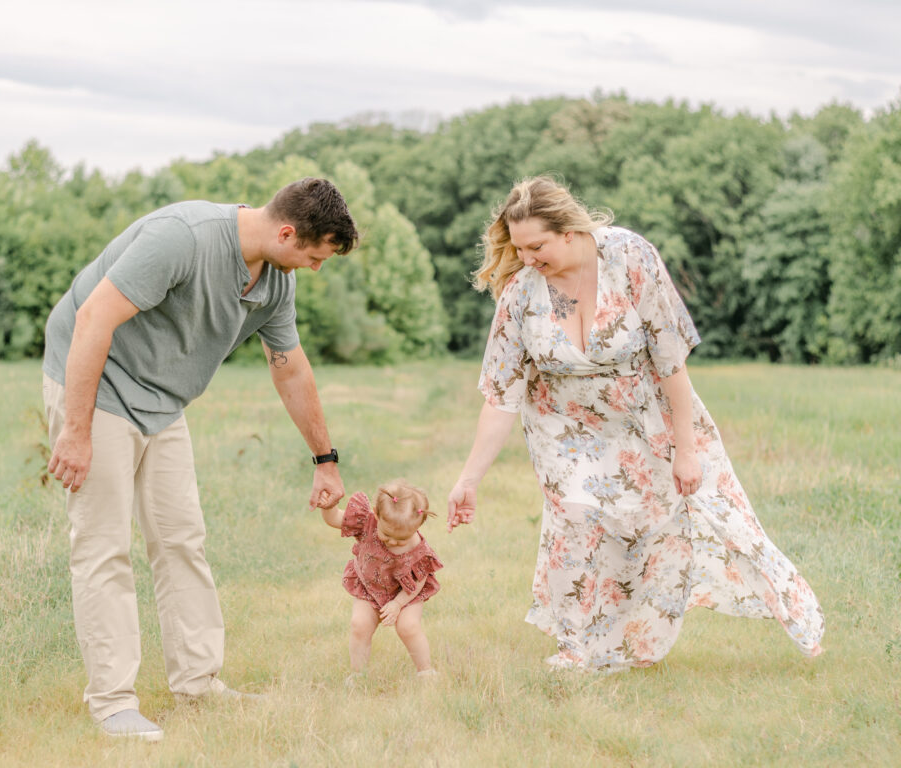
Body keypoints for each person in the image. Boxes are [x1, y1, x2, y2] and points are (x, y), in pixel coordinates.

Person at [447, 176, 824, 672]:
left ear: (569, 231)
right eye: (519, 249)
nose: (527, 258)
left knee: (674, 523)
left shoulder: (629, 257)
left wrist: (686, 449)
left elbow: (670, 360)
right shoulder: (520, 294)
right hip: (565, 431)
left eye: (536, 246)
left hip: (645, 418)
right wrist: (469, 479)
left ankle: (758, 618)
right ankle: (578, 649)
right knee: (577, 523)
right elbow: (501, 396)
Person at [41, 177, 358, 740]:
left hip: (163, 401)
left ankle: (197, 681)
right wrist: (76, 429)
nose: (314, 268)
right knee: (103, 546)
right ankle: (114, 703)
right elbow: (92, 319)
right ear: (286, 232)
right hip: (98, 385)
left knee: (181, 537)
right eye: (313, 256)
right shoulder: (182, 237)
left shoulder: (274, 284)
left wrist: (324, 459)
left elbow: (289, 367)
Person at [319, 480, 443, 680]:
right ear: (376, 514)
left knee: (408, 627)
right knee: (359, 625)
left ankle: (425, 671)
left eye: (401, 539)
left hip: (406, 593)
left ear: (419, 524)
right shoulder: (366, 521)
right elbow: (335, 519)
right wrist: (328, 507)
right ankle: (358, 675)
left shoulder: (417, 548)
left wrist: (398, 603)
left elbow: (419, 579)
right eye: (386, 535)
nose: (393, 542)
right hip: (370, 587)